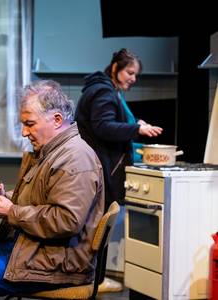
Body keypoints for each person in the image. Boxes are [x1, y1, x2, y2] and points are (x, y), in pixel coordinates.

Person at [0, 80, 105, 299]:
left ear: (57, 120)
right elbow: (41, 198)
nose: (23, 132)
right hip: (37, 248)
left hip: (59, 262)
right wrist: (5, 197)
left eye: (29, 124)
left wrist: (11, 212)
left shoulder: (75, 159)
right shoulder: (53, 151)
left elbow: (66, 220)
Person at [74, 48, 163, 292]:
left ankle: (93, 279)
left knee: (97, 226)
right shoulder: (103, 90)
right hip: (101, 168)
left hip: (101, 167)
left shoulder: (106, 89)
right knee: (96, 228)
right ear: (115, 68)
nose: (133, 78)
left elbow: (111, 122)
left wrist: (136, 125)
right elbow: (103, 126)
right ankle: (91, 281)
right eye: (130, 72)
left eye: (136, 74)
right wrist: (137, 130)